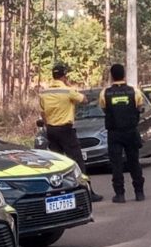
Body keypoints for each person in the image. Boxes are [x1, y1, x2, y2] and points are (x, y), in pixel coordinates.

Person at [39, 63, 103, 202]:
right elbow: (84, 100)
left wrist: (48, 125)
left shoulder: (44, 93)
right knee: (77, 161)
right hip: (65, 131)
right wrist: (69, 85)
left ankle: (56, 193)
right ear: (64, 76)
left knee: (56, 163)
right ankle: (87, 192)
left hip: (51, 131)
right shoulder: (67, 91)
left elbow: (43, 113)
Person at [99, 63, 145, 203]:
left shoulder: (105, 93)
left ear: (112, 76)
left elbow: (104, 109)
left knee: (116, 164)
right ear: (124, 75)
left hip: (114, 133)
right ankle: (139, 193)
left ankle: (120, 194)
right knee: (134, 162)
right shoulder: (134, 91)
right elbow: (139, 107)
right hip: (131, 131)